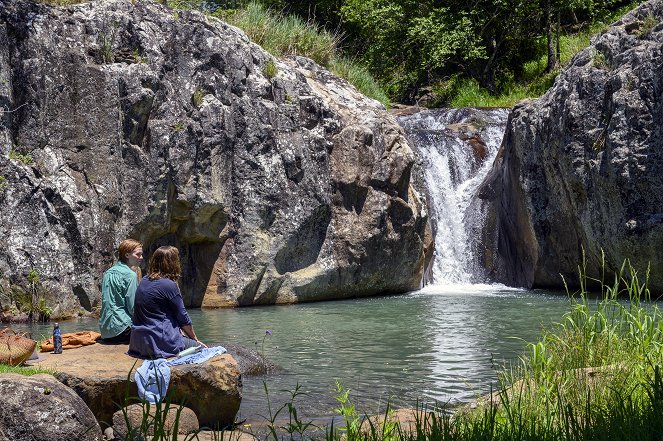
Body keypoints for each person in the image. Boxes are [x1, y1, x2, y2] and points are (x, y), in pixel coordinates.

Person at [129, 245, 206, 359]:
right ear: (173, 263)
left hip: (138, 343)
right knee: (203, 350)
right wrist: (195, 339)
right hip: (158, 344)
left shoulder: (144, 280)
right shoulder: (168, 285)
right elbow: (182, 317)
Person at [99, 239, 143, 343]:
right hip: (123, 330)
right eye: (138, 254)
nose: (141, 257)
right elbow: (133, 307)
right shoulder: (130, 275)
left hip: (105, 331)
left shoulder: (108, 273)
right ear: (127, 255)